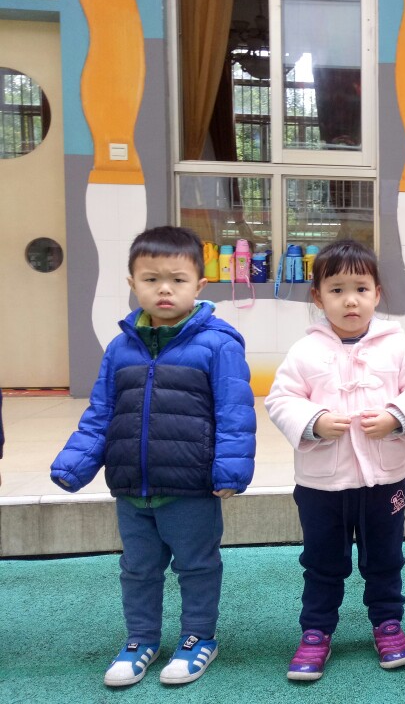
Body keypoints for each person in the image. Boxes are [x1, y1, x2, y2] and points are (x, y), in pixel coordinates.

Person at [50, 225, 256, 687]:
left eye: (177, 280)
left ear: (200, 285)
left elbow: (235, 413)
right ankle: (141, 639)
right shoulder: (120, 347)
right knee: (137, 569)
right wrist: (74, 464)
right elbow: (101, 412)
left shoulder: (218, 344)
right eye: (151, 279)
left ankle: (198, 637)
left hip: (190, 488)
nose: (164, 289)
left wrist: (230, 470)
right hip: (131, 488)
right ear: (132, 283)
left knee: (197, 566)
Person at [265, 240, 405, 682]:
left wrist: (396, 416)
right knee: (321, 562)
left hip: (385, 481)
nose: (350, 300)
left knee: (385, 559)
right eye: (337, 290)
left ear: (377, 294)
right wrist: (314, 422)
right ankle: (316, 631)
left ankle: (388, 624)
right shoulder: (305, 351)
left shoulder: (397, 345)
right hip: (321, 486)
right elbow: (280, 399)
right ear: (317, 297)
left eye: (361, 289)